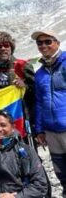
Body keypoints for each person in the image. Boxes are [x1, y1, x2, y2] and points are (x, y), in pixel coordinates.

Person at [0, 109, 49, 198]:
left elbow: (40, 183)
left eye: (3, 125)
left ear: (12, 127)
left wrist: (17, 197)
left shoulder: (26, 151)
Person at [32, 29, 66, 196]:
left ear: (57, 43)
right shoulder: (39, 74)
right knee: (61, 172)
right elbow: (39, 103)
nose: (43, 45)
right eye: (40, 43)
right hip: (51, 131)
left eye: (48, 41)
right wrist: (39, 129)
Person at [0, 31, 35, 141]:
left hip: (20, 118)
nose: (3, 48)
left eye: (6, 45)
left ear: (11, 47)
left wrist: (25, 85)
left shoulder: (22, 65)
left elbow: (36, 90)